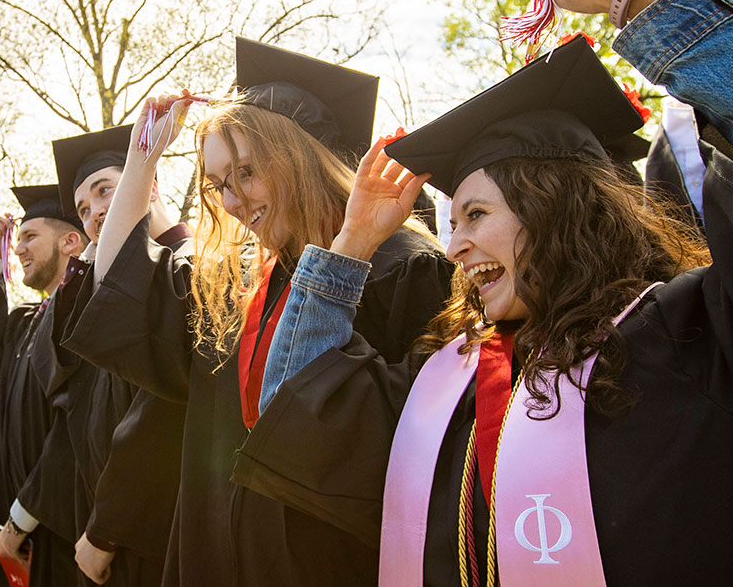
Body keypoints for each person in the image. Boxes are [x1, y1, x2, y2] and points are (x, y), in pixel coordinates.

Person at [230, 0, 733, 582]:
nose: (454, 246)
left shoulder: (707, 337)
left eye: (476, 215)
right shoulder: (443, 386)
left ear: (559, 211)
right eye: (452, 222)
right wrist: (352, 241)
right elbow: (300, 401)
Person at [59, 37, 453, 586]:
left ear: (300, 155)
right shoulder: (237, 285)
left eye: (246, 172)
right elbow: (121, 281)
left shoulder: (402, 267)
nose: (231, 202)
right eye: (219, 184)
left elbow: (421, 457)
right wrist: (142, 158)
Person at [7, 124, 190, 586]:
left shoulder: (189, 269)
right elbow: (65, 387)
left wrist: (105, 530)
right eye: (84, 210)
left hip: (154, 533)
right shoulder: (119, 289)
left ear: (148, 184)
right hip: (111, 530)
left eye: (106, 190)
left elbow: (158, 420)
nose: (95, 214)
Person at [0, 184, 87, 587]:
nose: (18, 249)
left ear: (70, 241)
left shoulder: (85, 320)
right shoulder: (24, 321)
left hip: (56, 524)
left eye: (30, 236)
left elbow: (73, 433)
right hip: (8, 516)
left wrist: (25, 516)